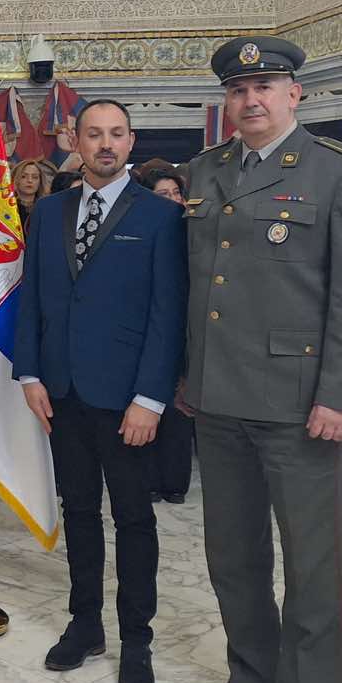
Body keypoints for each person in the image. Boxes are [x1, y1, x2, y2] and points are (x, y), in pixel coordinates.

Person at [179, 36, 342, 683]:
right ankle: (254, 677)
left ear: (295, 94)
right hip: (217, 398)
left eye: (264, 86)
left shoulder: (339, 171)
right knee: (232, 557)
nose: (251, 100)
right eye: (238, 90)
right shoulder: (206, 171)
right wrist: (187, 375)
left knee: (313, 572)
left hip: (302, 406)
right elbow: (201, 286)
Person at [13, 99, 186, 683]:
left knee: (134, 518)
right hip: (61, 392)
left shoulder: (161, 216)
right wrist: (29, 374)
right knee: (80, 512)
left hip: (127, 399)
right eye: (94, 134)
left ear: (131, 142)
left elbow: (168, 314)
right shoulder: (50, 211)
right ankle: (84, 624)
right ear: (75, 141)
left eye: (116, 134)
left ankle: (137, 639)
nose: (105, 144)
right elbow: (32, 297)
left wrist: (151, 398)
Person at [134, 162, 195, 502]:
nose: (173, 200)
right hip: (150, 328)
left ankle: (174, 482)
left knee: (179, 409)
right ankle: (150, 479)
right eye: (163, 194)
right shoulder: (142, 230)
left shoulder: (195, 229)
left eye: (176, 193)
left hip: (188, 328)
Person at [11, 158, 57, 231]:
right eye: (23, 176)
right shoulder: (8, 207)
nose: (30, 180)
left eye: (35, 177)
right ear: (15, 179)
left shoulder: (46, 208)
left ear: (40, 181)